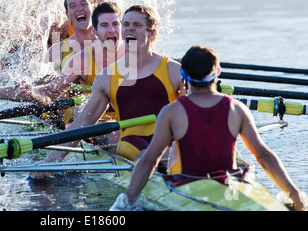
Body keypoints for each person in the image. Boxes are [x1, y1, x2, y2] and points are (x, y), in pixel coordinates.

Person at [113, 44, 307, 211]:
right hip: (231, 186)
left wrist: (126, 201)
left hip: (186, 185)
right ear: (218, 72)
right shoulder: (237, 108)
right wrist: (294, 193)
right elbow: (264, 156)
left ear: (183, 75)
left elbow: (149, 160)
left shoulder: (171, 112)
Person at [29, 5, 184, 179]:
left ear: (153, 33)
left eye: (137, 25)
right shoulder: (106, 77)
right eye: (126, 24)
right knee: (163, 156)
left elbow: (194, 114)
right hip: (133, 145)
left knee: (179, 151)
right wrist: (50, 162)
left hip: (168, 142)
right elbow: (83, 123)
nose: (129, 29)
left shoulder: (174, 70)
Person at [0, 2, 125, 122]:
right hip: (98, 122)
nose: (111, 30)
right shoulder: (78, 59)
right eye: (105, 25)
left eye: (115, 24)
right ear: (95, 31)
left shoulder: (138, 51)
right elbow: (48, 93)